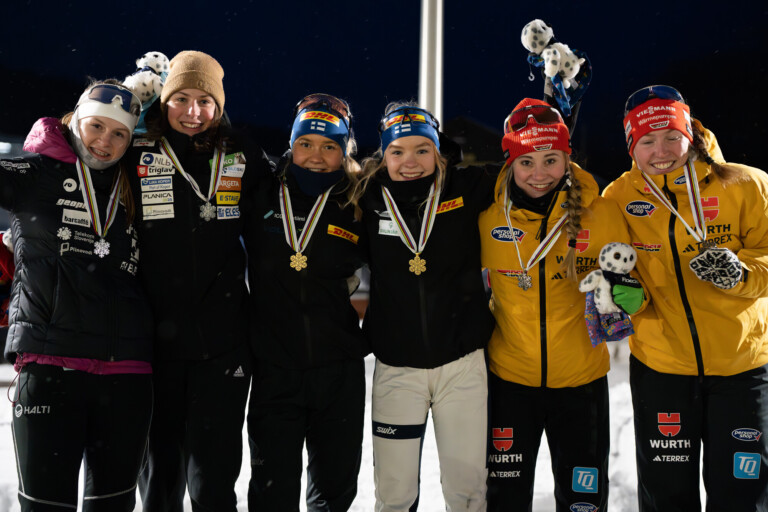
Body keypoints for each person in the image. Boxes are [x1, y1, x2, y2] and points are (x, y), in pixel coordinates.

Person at [602, 85, 768, 511]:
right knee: (666, 498)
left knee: (742, 497)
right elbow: (615, 265)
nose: (661, 151)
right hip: (662, 368)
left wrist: (741, 271)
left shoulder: (748, 184)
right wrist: (627, 295)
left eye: (671, 136)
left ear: (690, 134)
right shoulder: (618, 198)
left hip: (741, 368)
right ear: (630, 146)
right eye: (647, 141)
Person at [124, 51, 272, 511]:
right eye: (181, 99)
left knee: (214, 480)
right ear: (162, 102)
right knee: (159, 479)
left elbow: (275, 231)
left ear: (219, 106)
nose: (193, 112)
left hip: (221, 344)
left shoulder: (241, 154)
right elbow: (83, 146)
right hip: (154, 345)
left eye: (205, 101)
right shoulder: (137, 150)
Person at [478, 98, 643, 511]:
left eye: (551, 160)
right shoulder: (485, 218)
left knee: (583, 501)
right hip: (509, 383)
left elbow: (636, 299)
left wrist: (618, 293)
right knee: (504, 502)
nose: (539, 174)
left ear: (568, 160)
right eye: (526, 162)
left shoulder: (602, 212)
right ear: (509, 163)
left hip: (581, 384)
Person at [1, 80, 152, 511]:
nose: (105, 142)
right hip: (51, 369)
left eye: (119, 133)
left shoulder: (139, 184)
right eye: (96, 127)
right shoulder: (34, 174)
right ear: (76, 122)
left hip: (128, 374)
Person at [349, 102, 496, 511]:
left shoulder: (467, 188)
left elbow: (532, 171)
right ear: (384, 155)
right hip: (397, 369)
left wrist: (560, 109)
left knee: (467, 494)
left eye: (421, 150)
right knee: (395, 496)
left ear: (438, 151)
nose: (409, 162)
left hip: (461, 367)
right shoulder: (367, 198)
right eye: (397, 151)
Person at [245, 93, 367, 511]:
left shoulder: (358, 202)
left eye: (330, 146)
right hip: (274, 369)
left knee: (334, 491)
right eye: (306, 143)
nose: (316, 155)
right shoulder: (259, 191)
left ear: (344, 150)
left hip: (339, 371)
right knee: (272, 490)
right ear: (291, 145)